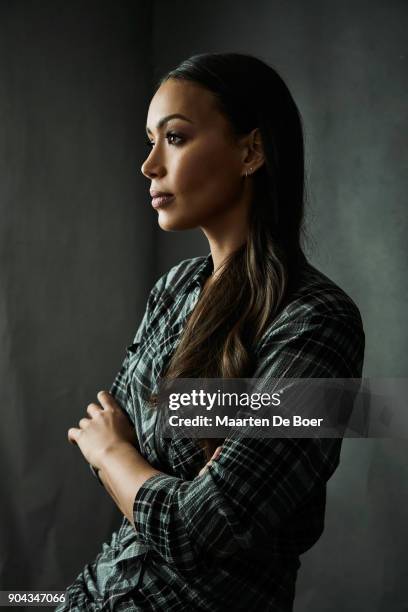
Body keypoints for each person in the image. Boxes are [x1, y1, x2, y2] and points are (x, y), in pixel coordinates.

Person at [56, 52, 365, 611]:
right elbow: (115, 433)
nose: (149, 165)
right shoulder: (176, 289)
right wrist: (143, 465)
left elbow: (203, 528)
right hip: (96, 594)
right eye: (149, 140)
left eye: (174, 138)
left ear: (251, 151)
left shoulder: (316, 322)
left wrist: (117, 456)